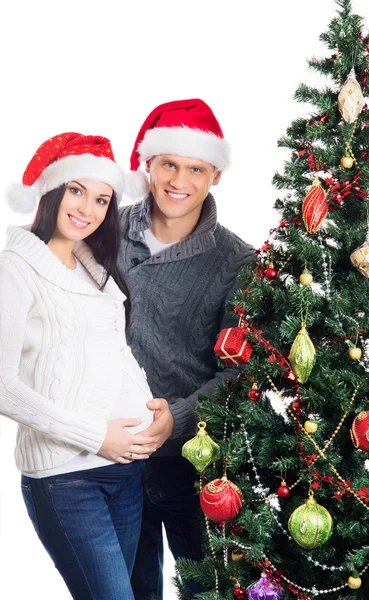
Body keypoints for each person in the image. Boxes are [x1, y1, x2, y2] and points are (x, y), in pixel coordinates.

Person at [1, 132, 166, 600]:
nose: (87, 209)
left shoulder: (94, 265)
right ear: (52, 191)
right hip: (66, 478)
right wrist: (98, 437)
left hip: (128, 471)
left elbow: (117, 350)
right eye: (76, 190)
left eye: (101, 199)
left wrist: (159, 410)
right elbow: (2, 386)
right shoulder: (15, 269)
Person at [118, 99, 254, 599]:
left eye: (195, 168)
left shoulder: (237, 262)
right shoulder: (103, 232)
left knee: (209, 590)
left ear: (214, 175)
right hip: (109, 455)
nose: (180, 180)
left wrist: (176, 418)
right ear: (147, 165)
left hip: (195, 463)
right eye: (169, 164)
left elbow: (240, 373)